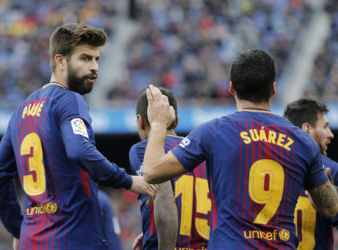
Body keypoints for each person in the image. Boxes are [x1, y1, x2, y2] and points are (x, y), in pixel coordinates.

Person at [141, 49, 338, 249]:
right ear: (273, 89)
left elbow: (151, 172)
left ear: (232, 88)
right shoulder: (303, 141)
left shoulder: (215, 131)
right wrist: (325, 189)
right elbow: (330, 208)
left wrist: (158, 124)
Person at [0, 23, 156, 250]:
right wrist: (127, 180)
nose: (95, 67)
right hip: (73, 238)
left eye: (97, 59)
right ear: (60, 61)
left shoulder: (20, 111)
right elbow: (79, 150)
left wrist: (17, 228)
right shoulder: (69, 100)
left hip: (33, 242)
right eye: (85, 59)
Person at [130, 88, 210, 250]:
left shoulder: (142, 150)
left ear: (140, 121)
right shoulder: (202, 154)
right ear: (176, 120)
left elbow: (164, 201)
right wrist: (150, 232)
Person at [284, 98, 338, 249]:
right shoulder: (331, 170)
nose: (331, 134)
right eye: (325, 127)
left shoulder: (272, 165)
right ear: (307, 128)